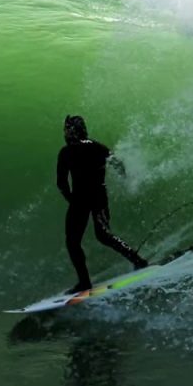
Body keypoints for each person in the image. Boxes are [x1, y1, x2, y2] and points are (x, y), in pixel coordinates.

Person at [57, 115, 148, 294]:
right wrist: (126, 180)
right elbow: (118, 165)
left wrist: (71, 200)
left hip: (79, 201)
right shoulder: (97, 146)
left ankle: (84, 282)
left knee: (73, 242)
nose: (65, 133)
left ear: (72, 131)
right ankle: (138, 260)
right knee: (104, 235)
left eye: (67, 129)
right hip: (99, 197)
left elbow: (61, 183)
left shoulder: (66, 152)